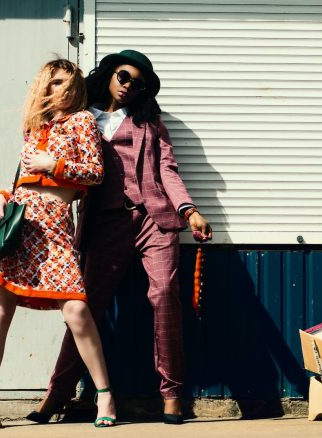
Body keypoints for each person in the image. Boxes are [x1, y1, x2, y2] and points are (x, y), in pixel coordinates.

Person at [28, 49, 212, 425]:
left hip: (153, 219)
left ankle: (172, 394)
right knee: (85, 308)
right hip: (105, 223)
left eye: (138, 83)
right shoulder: (80, 119)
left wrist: (188, 210)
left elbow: (168, 170)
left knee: (164, 297)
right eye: (124, 77)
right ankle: (57, 395)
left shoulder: (150, 122)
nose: (129, 86)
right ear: (110, 75)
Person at [0, 59, 116, 429]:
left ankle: (105, 396)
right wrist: (0, 194)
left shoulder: (82, 121)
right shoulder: (33, 126)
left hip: (54, 227)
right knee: (0, 308)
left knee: (76, 312)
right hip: (21, 222)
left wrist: (54, 164)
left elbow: (95, 172)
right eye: (53, 83)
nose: (61, 90)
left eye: (67, 83)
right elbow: (21, 174)